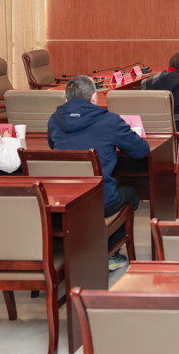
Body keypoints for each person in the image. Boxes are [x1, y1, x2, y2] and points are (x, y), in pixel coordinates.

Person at [48, 75, 150, 270]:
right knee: (131, 194)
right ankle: (111, 252)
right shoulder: (110, 120)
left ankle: (81, 246)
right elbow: (141, 150)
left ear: (66, 99)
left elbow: (54, 147)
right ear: (94, 97)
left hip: (64, 199)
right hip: (99, 201)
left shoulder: (54, 120)